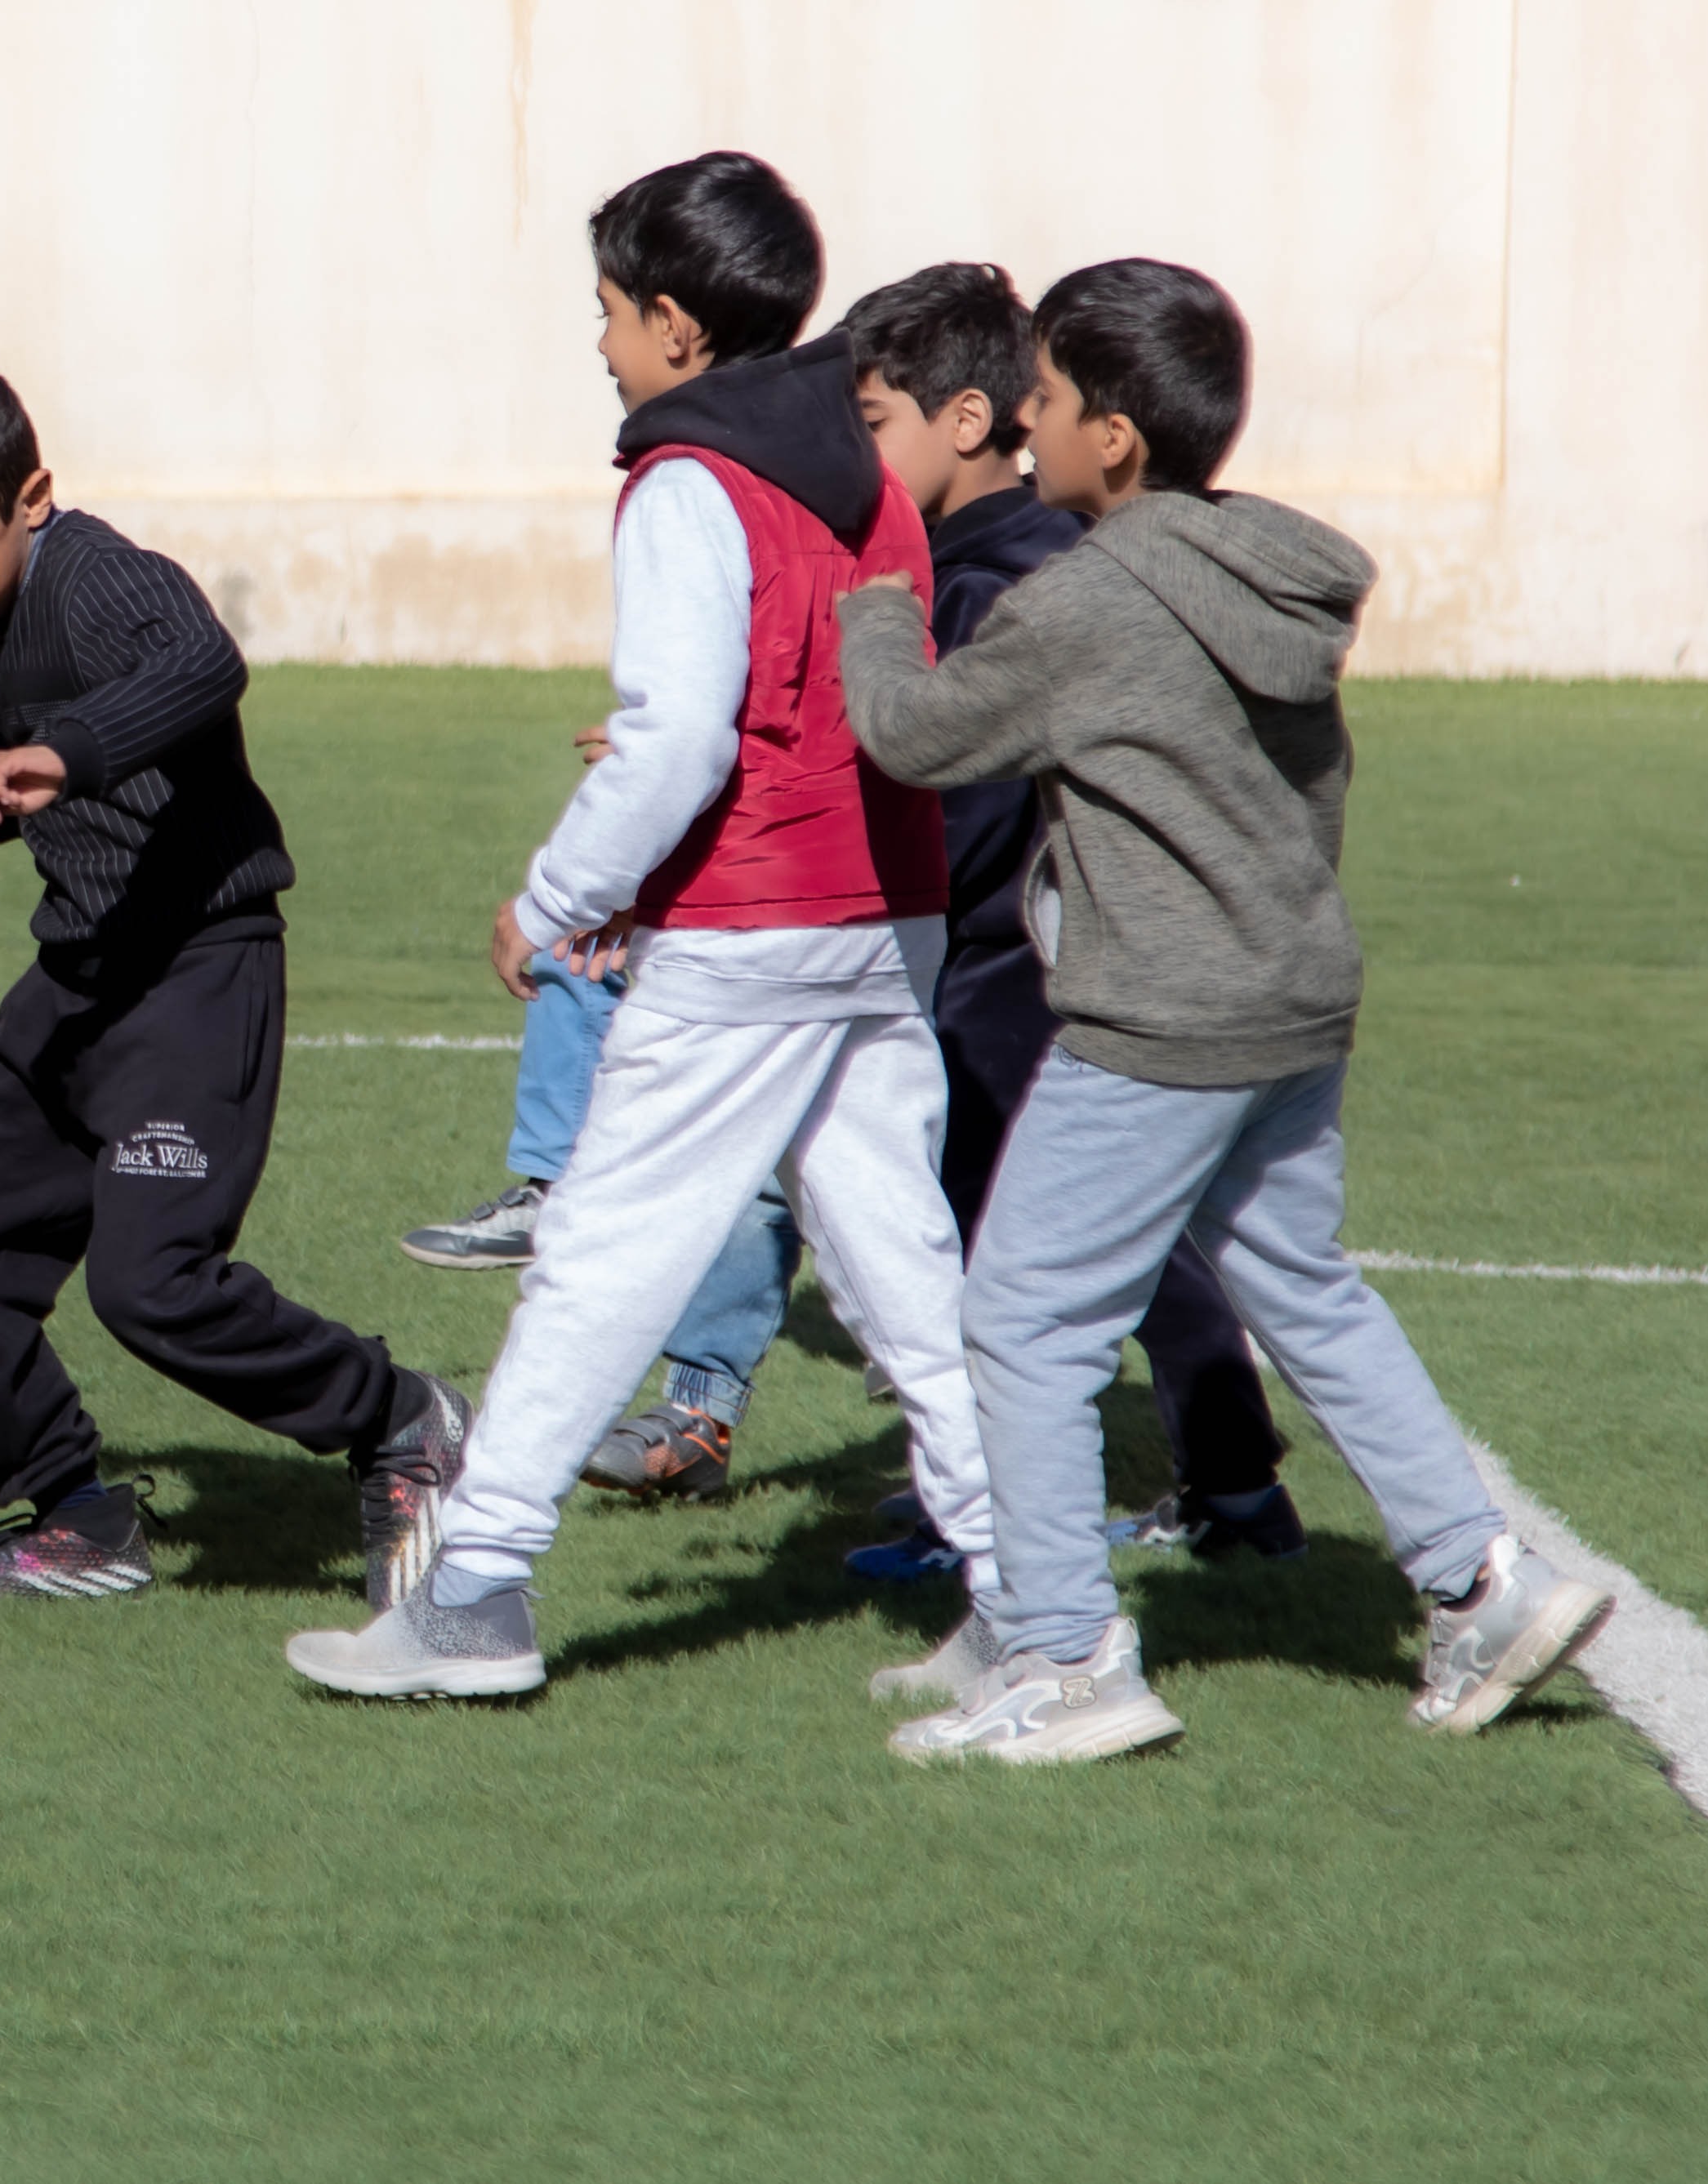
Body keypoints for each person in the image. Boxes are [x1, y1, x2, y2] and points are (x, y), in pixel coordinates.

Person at [837, 259, 1612, 1762]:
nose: (1028, 425)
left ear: (1111, 435)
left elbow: (916, 734)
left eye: (1044, 398)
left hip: (1160, 1022)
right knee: (1302, 1286)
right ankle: (1480, 1580)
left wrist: (876, 615)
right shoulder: (1271, 576)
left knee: (1021, 1320)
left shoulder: (1086, 599)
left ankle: (1067, 1656)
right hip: (1290, 998)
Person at [283, 151, 992, 1700]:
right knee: (900, 1271)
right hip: (891, 913)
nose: (598, 343)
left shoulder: (689, 480)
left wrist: (551, 899)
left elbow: (674, 738)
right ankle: (1035, 1604)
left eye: (607, 310)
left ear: (675, 324)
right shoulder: (872, 472)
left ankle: (471, 1592)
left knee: (596, 1250)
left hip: (752, 929)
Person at [0, 354, 470, 1607]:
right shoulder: (1, 620)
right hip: (79, 979)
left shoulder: (99, 577)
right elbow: (12, 781)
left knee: (151, 1285)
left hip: (196, 972)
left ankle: (398, 1419)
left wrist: (64, 747)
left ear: (31, 495)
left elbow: (202, 666)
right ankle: (79, 1514)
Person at [836, 261, 1300, 1604]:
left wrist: (891, 918)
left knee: (998, 1253)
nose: (857, 457)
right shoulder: (977, 562)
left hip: (1004, 966)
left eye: (872, 424)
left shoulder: (1005, 579)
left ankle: (995, 1511)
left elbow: (974, 805)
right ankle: (1228, 1483)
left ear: (966, 419)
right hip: (1009, 956)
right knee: (1112, 1238)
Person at [397, 734, 803, 1506]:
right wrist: (687, 748)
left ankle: (960, 1432)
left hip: (871, 896)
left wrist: (691, 746)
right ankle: (693, 1414)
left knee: (835, 1188)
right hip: (773, 844)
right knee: (579, 950)